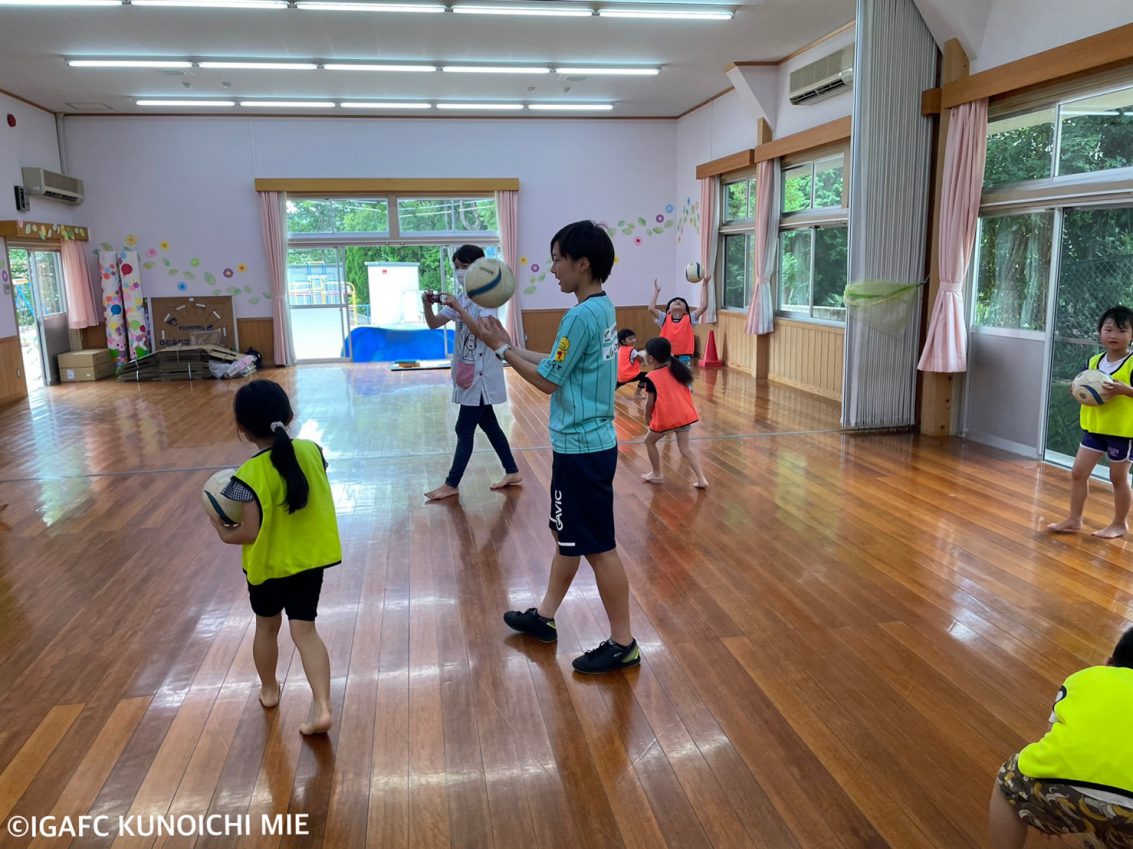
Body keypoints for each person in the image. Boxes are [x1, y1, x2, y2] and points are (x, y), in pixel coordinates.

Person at [476, 220, 640, 675]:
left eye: (557, 260)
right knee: (567, 538)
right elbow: (556, 364)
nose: (552, 269)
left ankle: (623, 642)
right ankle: (545, 617)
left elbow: (547, 380)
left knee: (598, 548)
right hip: (585, 447)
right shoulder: (601, 308)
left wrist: (503, 352)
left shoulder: (580, 316)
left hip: (583, 451)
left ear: (581, 263)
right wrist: (509, 346)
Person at [209, 379, 342, 735]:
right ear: (289, 416)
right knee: (306, 631)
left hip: (267, 568)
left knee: (267, 628)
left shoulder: (245, 476)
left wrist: (222, 531)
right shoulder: (313, 451)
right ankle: (323, 706)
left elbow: (249, 532)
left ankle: (269, 691)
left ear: (242, 429)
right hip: (309, 562)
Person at [988, 627, 1133, 849]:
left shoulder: (1084, 677)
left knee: (1006, 787)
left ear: (1108, 662)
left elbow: (1050, 735)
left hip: (1067, 786)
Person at [421, 244, 522, 502]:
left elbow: (483, 333)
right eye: (457, 267)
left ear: (479, 268)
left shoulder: (487, 299)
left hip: (481, 375)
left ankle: (451, 483)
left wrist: (459, 308)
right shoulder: (462, 298)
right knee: (490, 425)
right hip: (468, 373)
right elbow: (433, 324)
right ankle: (512, 471)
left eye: (465, 266)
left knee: (463, 429)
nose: (460, 272)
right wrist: (427, 305)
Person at [1048, 305, 1133, 538]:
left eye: (1122, 331)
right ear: (1100, 332)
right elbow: (1083, 389)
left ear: (1131, 335)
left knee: (1118, 478)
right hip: (1095, 429)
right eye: (1108, 329)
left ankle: (1119, 524)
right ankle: (1074, 519)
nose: (1114, 335)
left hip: (1122, 432)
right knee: (1078, 472)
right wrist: (1077, 391)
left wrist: (1126, 390)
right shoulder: (1093, 361)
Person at [639, 336, 708, 489]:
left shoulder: (651, 377)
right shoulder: (678, 370)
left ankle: (656, 473)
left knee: (649, 441)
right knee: (685, 448)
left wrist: (647, 416)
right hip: (684, 416)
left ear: (650, 358)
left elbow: (650, 403)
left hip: (668, 419)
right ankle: (701, 479)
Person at [648, 276, 709, 364]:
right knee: (667, 372)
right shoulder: (664, 318)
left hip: (684, 355)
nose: (677, 301)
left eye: (681, 302)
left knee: (682, 372)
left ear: (685, 311)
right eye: (674, 301)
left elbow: (704, 306)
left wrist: (705, 285)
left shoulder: (689, 318)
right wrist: (656, 292)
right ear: (668, 311)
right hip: (666, 354)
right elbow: (651, 308)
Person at [616, 328, 647, 398]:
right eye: (630, 339)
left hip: (620, 376)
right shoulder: (632, 350)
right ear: (623, 341)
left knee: (616, 385)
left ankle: (607, 396)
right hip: (629, 375)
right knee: (646, 376)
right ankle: (637, 394)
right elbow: (641, 359)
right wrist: (643, 355)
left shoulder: (620, 349)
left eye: (634, 338)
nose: (633, 340)